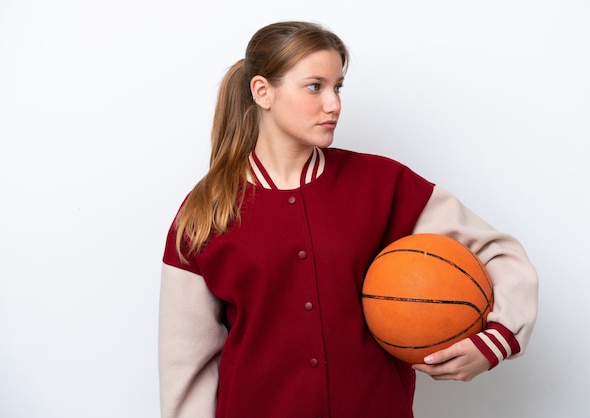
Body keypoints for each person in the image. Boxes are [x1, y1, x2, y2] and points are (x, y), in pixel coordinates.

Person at [158, 20, 538, 418]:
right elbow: (185, 364)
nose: (333, 103)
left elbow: (497, 251)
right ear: (262, 91)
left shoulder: (382, 183)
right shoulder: (206, 211)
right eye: (315, 86)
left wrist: (498, 339)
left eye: (337, 87)